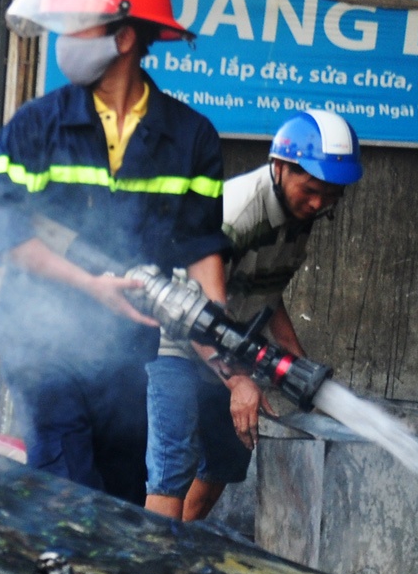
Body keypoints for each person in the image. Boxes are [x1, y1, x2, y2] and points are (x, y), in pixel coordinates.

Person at [0, 0, 226, 506]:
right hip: (41, 343)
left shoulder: (191, 139)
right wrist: (89, 285)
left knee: (120, 503)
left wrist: (221, 333)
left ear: (125, 35)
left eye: (75, 24)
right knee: (68, 494)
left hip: (129, 347)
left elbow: (200, 245)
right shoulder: (35, 127)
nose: (63, 38)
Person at [145, 110, 363, 521]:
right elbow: (189, 312)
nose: (320, 203)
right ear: (279, 167)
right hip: (178, 339)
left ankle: (182, 550)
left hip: (230, 340)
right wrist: (239, 381)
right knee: (171, 467)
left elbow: (265, 287)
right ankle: (151, 573)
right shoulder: (235, 214)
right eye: (312, 189)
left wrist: (297, 357)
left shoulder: (302, 213)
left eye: (332, 193)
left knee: (227, 458)